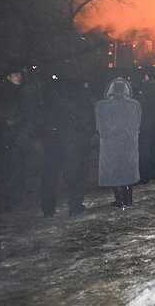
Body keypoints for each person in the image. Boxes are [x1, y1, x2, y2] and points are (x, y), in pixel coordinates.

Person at [41, 75, 94, 217]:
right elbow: (86, 119)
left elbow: (42, 120)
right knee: (75, 174)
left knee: (50, 175)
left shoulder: (49, 98)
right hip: (73, 141)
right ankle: (75, 206)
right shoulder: (79, 97)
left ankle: (48, 208)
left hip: (52, 140)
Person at [95, 77, 141, 208]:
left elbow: (100, 127)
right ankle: (128, 199)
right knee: (128, 170)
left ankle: (119, 199)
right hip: (129, 143)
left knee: (113, 171)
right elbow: (138, 124)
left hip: (111, 144)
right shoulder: (134, 104)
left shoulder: (101, 106)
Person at [0, 63, 33, 211]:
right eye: (16, 75)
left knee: (14, 169)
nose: (19, 77)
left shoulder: (15, 91)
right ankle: (7, 202)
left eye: (20, 75)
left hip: (14, 137)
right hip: (10, 138)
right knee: (10, 169)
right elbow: (8, 115)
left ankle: (11, 200)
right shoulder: (7, 92)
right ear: (9, 77)